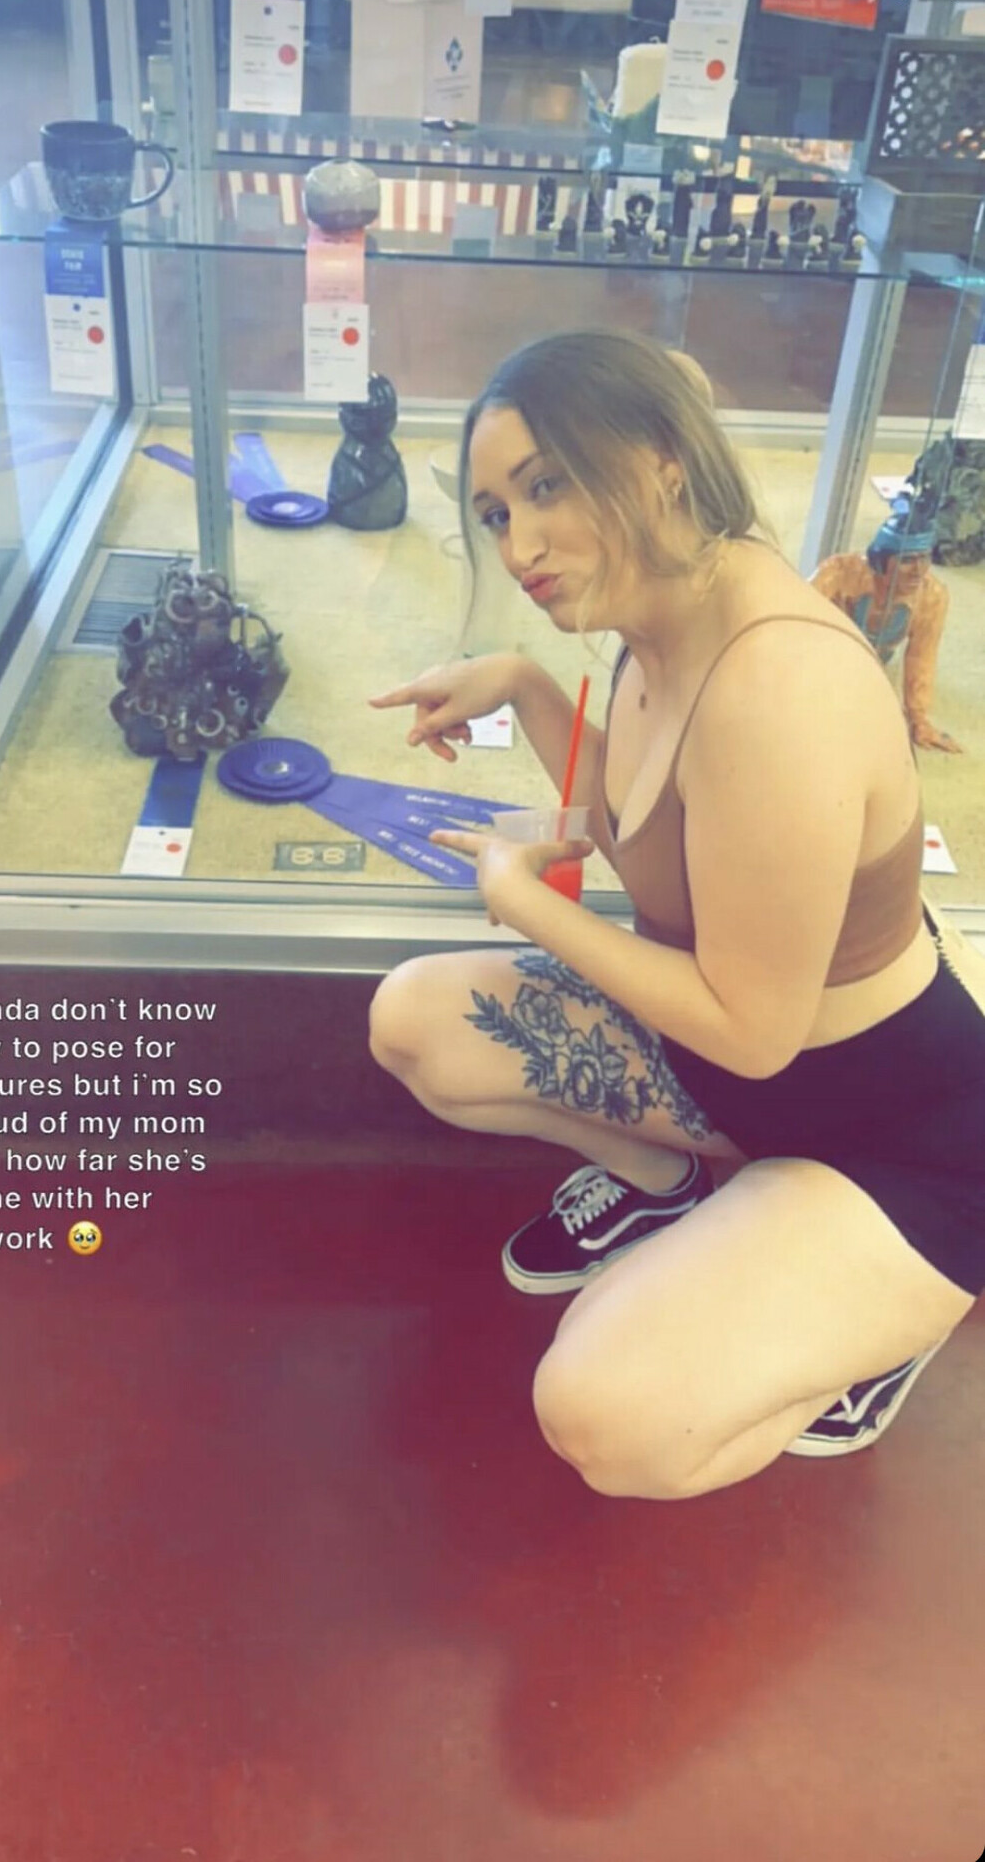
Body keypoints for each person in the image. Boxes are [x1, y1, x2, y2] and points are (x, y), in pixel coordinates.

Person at [368, 331, 985, 1501]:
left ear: (660, 461)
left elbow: (753, 1029)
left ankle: (873, 1328)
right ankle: (687, 1192)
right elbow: (654, 829)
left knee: (607, 1420)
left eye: (549, 485)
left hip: (901, 1143)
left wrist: (526, 905)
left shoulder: (779, 685)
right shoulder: (660, 613)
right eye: (496, 513)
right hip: (732, 1084)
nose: (520, 546)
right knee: (412, 1023)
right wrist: (524, 686)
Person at [810, 516, 961, 753]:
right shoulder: (839, 573)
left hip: (874, 666)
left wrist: (918, 718)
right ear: (880, 561)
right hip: (823, 657)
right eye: (907, 560)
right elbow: (795, 620)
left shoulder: (931, 596)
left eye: (924, 558)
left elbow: (922, 657)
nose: (918, 571)